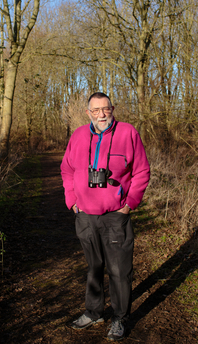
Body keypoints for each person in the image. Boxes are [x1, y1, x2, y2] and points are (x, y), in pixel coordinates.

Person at [60, 92, 150, 341]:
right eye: (96, 110)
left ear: (113, 109)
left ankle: (120, 317)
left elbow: (141, 171)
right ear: (88, 112)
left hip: (115, 215)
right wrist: (72, 201)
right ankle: (93, 311)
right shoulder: (78, 135)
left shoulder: (128, 133)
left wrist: (130, 203)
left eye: (106, 109)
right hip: (85, 215)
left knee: (120, 270)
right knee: (93, 267)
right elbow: (67, 169)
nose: (102, 114)